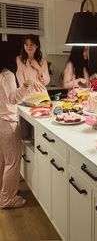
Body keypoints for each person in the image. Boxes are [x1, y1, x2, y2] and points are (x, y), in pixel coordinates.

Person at [0, 49, 41, 209]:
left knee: (2, 162)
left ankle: (3, 193)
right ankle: (7, 199)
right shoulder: (7, 75)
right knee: (12, 162)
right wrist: (25, 86)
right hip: (7, 122)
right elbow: (13, 98)